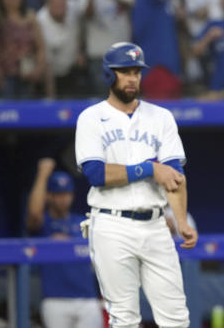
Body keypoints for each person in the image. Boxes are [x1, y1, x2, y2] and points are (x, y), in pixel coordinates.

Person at [75, 42, 198, 327]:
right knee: (124, 318)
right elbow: (96, 173)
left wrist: (181, 221)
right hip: (111, 224)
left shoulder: (161, 117)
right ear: (109, 74)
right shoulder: (91, 118)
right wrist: (149, 168)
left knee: (177, 317)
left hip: (156, 224)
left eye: (136, 72)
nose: (132, 78)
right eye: (124, 72)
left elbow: (175, 174)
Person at [25, 157, 103, 328]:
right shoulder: (44, 224)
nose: (64, 199)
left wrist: (71, 242)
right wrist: (43, 175)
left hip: (87, 298)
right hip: (55, 299)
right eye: (59, 194)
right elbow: (34, 214)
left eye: (67, 193)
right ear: (49, 196)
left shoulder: (82, 221)